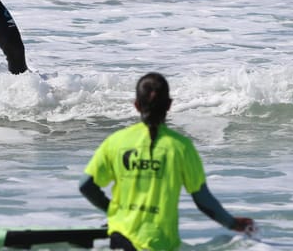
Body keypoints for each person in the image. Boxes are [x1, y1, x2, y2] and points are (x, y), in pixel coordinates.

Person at [80, 73, 255, 250]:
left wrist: (114, 212)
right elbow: (202, 200)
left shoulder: (116, 142)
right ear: (169, 105)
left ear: (136, 105)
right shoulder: (180, 147)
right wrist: (232, 223)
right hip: (160, 243)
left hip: (120, 238)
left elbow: (86, 185)